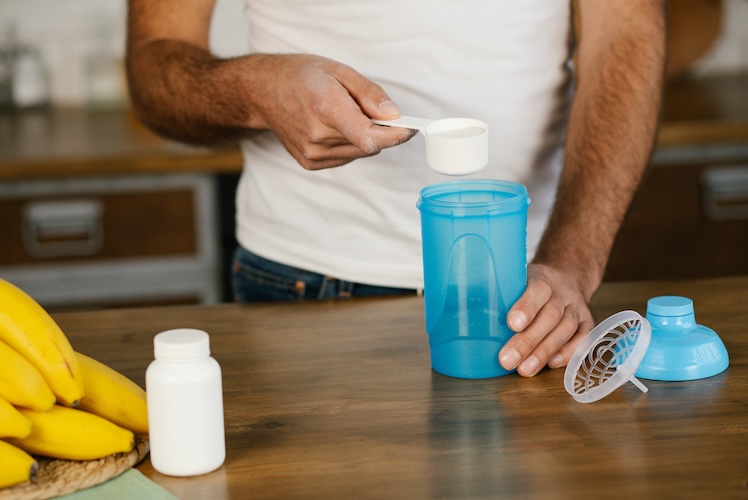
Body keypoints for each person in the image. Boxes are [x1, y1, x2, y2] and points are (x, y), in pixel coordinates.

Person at [125, 0, 665, 377]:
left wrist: (571, 261)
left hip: (531, 290)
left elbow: (627, 32)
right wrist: (256, 92)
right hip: (306, 284)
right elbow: (154, 65)